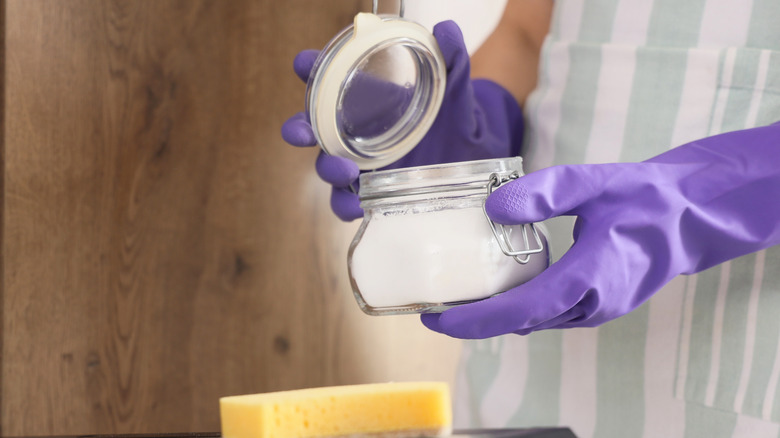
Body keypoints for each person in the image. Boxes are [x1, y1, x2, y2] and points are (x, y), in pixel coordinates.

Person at [282, 1, 780, 436]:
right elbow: (526, 28)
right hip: (519, 374)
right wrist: (479, 126)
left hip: (737, 367)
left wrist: (706, 196)